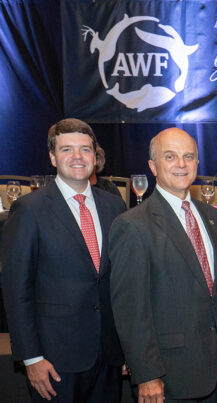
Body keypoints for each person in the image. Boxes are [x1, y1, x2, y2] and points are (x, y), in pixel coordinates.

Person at [1, 118, 127, 402]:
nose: (77, 157)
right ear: (52, 157)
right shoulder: (29, 210)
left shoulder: (114, 206)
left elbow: (120, 282)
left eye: (85, 149)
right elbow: (16, 288)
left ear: (95, 156)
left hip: (108, 356)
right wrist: (31, 358)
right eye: (67, 149)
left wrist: (127, 348)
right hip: (55, 360)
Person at [109, 128, 217, 402]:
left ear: (197, 164)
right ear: (153, 166)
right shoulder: (132, 225)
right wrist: (147, 374)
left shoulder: (212, 217)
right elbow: (131, 310)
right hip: (169, 376)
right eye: (170, 156)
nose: (181, 164)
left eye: (189, 157)